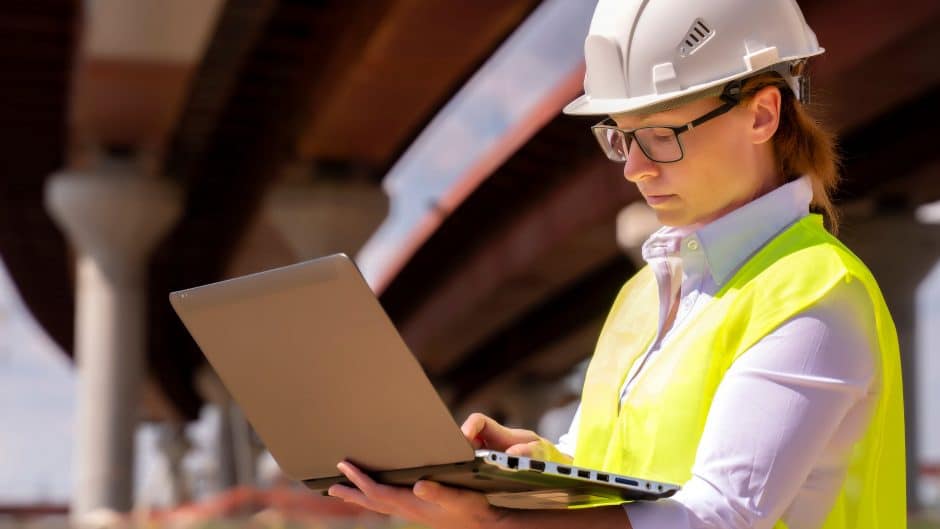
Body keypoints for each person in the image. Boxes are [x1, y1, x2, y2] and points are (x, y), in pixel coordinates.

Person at [327, 1, 906, 528]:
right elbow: (620, 480)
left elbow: (720, 515)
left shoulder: (819, 296)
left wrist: (496, 523)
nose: (634, 168)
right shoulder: (641, 295)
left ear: (762, 115)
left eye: (659, 136)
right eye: (621, 138)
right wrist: (536, 465)